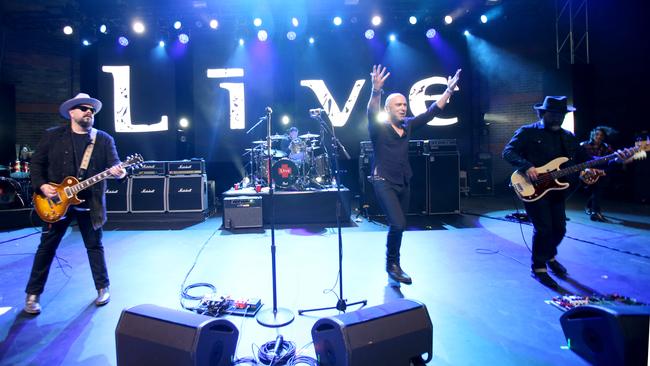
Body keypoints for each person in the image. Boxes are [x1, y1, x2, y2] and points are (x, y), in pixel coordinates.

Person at [502, 96, 632, 289]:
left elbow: (588, 160)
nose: (557, 119)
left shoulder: (568, 136)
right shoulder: (527, 132)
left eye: (561, 115)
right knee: (544, 229)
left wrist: (615, 159)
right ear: (543, 113)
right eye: (553, 115)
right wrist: (527, 166)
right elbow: (508, 152)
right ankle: (539, 268)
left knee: (560, 229)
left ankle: (549, 256)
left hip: (557, 189)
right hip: (532, 188)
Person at [24, 93, 126, 314]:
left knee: (95, 246)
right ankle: (33, 295)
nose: (89, 112)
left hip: (90, 203)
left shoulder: (104, 139)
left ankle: (102, 288)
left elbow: (116, 166)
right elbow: (36, 165)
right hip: (54, 202)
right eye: (83, 108)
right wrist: (42, 187)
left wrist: (119, 172)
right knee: (47, 247)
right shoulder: (52, 136)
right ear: (71, 112)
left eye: (92, 110)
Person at [367, 64, 461, 286]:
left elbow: (431, 112)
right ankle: (392, 264)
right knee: (397, 223)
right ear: (388, 109)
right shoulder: (378, 127)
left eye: (404, 105)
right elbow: (371, 111)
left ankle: (393, 264)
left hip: (403, 180)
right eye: (398, 105)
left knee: (400, 225)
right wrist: (376, 91)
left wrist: (448, 90)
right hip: (383, 180)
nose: (403, 108)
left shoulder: (408, 125)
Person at [580, 126, 615, 222]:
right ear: (592, 134)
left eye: (601, 135)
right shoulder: (584, 145)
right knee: (597, 187)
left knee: (600, 185)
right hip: (585, 172)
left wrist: (623, 159)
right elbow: (579, 161)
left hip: (600, 173)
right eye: (597, 134)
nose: (599, 137)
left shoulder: (607, 147)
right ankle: (595, 211)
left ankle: (594, 210)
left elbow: (612, 161)